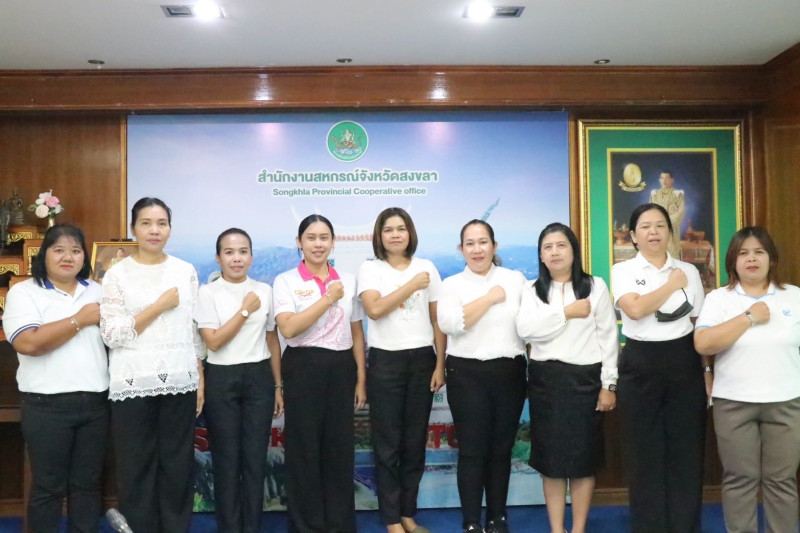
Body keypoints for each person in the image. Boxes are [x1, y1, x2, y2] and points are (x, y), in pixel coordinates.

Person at [437, 219, 565, 533]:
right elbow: (450, 324)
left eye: (483, 242)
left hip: (509, 372)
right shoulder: (451, 284)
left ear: (495, 246)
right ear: (461, 249)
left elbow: (531, 324)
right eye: (470, 243)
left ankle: (497, 517)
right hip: (466, 373)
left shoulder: (515, 279)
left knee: (500, 449)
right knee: (472, 450)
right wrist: (490, 298)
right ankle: (471, 521)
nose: (477, 249)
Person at [100, 197, 204, 533]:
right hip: (132, 383)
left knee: (178, 465)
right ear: (133, 228)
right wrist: (158, 306)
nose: (154, 230)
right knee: (136, 466)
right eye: (146, 223)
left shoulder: (185, 271)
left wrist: (199, 376)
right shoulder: (117, 274)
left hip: (180, 380)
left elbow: (193, 330)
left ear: (170, 229)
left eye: (161, 223)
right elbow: (112, 334)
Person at [2, 224, 109, 532]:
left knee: (87, 486)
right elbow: (29, 343)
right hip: (46, 406)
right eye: (59, 250)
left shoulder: (98, 291)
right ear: (44, 255)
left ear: (84, 256)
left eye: (75, 250)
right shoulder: (24, 292)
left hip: (95, 404)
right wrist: (79, 320)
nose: (68, 257)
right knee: (48, 487)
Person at [694, 226, 800, 533]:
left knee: (782, 480)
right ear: (733, 261)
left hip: (786, 402)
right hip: (733, 403)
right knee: (740, 479)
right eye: (743, 253)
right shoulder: (719, 299)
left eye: (759, 252)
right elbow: (704, 344)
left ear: (771, 258)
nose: (751, 259)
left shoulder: (794, 296)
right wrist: (749, 317)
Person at [516, 223, 618, 533]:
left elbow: (609, 337)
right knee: (551, 463)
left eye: (561, 245)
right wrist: (566, 313)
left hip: (585, 381)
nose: (554, 252)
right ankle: (557, 528)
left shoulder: (595, 286)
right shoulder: (532, 289)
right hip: (546, 382)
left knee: (583, 462)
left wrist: (608, 384)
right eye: (547, 247)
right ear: (541, 256)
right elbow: (526, 330)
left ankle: (578, 529)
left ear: (574, 251)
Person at [610, 202, 706, 533]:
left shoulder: (689, 271)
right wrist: (671, 284)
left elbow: (698, 324)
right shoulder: (623, 270)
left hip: (684, 361)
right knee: (643, 453)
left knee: (686, 449)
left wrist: (707, 372)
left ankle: (685, 526)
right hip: (640, 362)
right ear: (634, 236)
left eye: (660, 226)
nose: (654, 232)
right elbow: (635, 310)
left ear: (669, 232)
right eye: (646, 227)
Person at [272, 214, 366, 533]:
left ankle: (339, 524)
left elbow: (356, 331)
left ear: (333, 242)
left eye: (324, 237)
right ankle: (306, 526)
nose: (318, 244)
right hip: (303, 365)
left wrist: (361, 377)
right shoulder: (286, 281)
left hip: (341, 367)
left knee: (339, 449)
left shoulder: (347, 280)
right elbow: (288, 328)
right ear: (299, 242)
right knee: (304, 450)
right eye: (310, 238)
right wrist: (328, 298)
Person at [357, 208, 446, 533]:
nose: (395, 235)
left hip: (422, 360)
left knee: (414, 443)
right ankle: (392, 519)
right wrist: (411, 285)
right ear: (379, 236)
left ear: (410, 233)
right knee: (387, 445)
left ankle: (408, 514)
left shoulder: (427, 267)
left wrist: (440, 364)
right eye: (388, 229)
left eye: (401, 228)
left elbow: (437, 320)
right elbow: (375, 309)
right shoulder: (371, 269)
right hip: (386, 362)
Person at [195, 228, 284, 533]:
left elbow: (271, 339)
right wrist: (245, 310)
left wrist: (278, 385)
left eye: (243, 251)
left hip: (259, 377)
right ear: (218, 257)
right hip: (222, 377)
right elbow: (214, 341)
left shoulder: (264, 290)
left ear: (251, 256)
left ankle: (252, 526)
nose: (237, 258)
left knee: (256, 459)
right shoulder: (208, 293)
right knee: (226, 460)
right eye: (229, 252)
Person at [649, 171, 685, 259]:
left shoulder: (677, 195)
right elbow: (650, 212)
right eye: (662, 178)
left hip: (672, 233)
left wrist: (665, 222)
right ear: (659, 180)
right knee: (657, 256)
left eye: (667, 178)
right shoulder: (655, 194)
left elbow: (680, 212)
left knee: (672, 257)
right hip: (657, 232)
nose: (664, 181)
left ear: (672, 180)